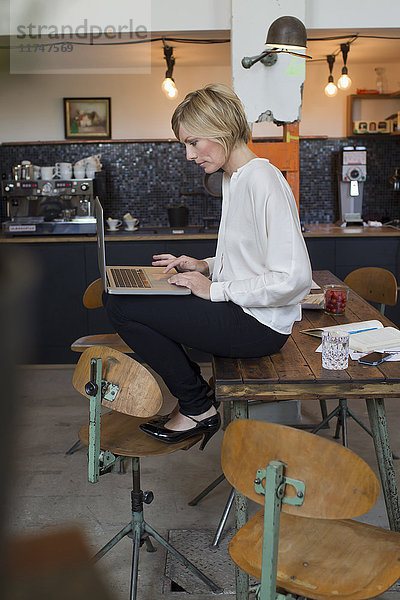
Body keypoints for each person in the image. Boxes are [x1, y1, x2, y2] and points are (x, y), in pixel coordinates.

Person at [104, 83, 312, 450]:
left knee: (120, 304)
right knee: (120, 294)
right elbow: (249, 256)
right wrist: (205, 266)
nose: (188, 154)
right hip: (242, 311)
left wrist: (214, 289)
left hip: (259, 325)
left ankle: (198, 406)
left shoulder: (263, 180)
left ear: (222, 129)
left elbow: (294, 279)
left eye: (193, 142)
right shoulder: (236, 178)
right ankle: (197, 401)